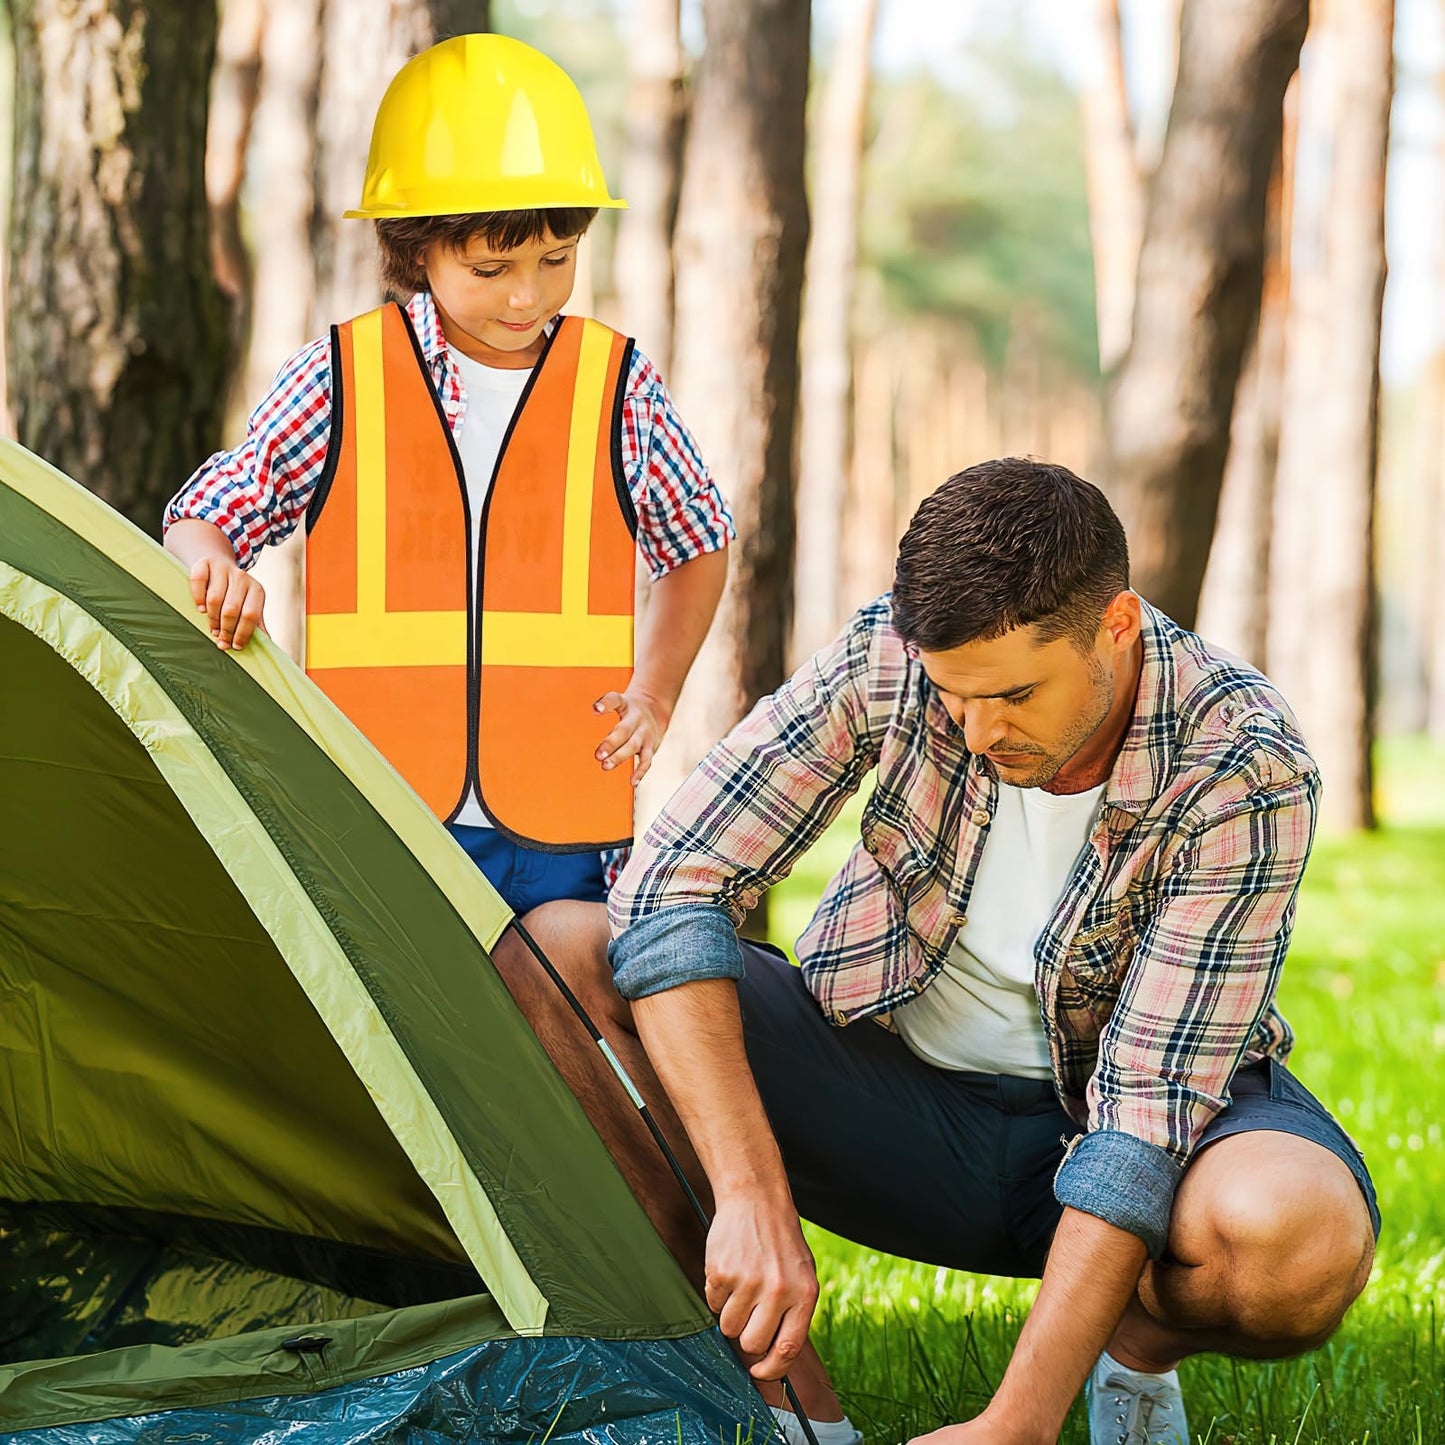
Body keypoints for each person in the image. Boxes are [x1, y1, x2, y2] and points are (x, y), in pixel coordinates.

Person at [495, 459, 1380, 1445]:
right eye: (951, 695)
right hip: (896, 1098)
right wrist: (743, 1191)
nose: (976, 726)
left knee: (1295, 1234)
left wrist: (1016, 1419)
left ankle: (1123, 1343)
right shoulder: (895, 649)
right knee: (559, 952)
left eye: (1012, 693)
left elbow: (1147, 1105)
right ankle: (798, 1409)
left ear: (1116, 626)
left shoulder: (1240, 757)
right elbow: (678, 875)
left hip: (1124, 1127)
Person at [163, 34, 730, 912]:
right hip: (376, 808)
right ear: (415, 248)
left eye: (555, 259)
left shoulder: (619, 388)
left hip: (563, 821)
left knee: (559, 1027)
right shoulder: (341, 376)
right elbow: (210, 508)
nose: (526, 297)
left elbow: (698, 544)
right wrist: (214, 563)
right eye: (490, 267)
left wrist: (654, 694)